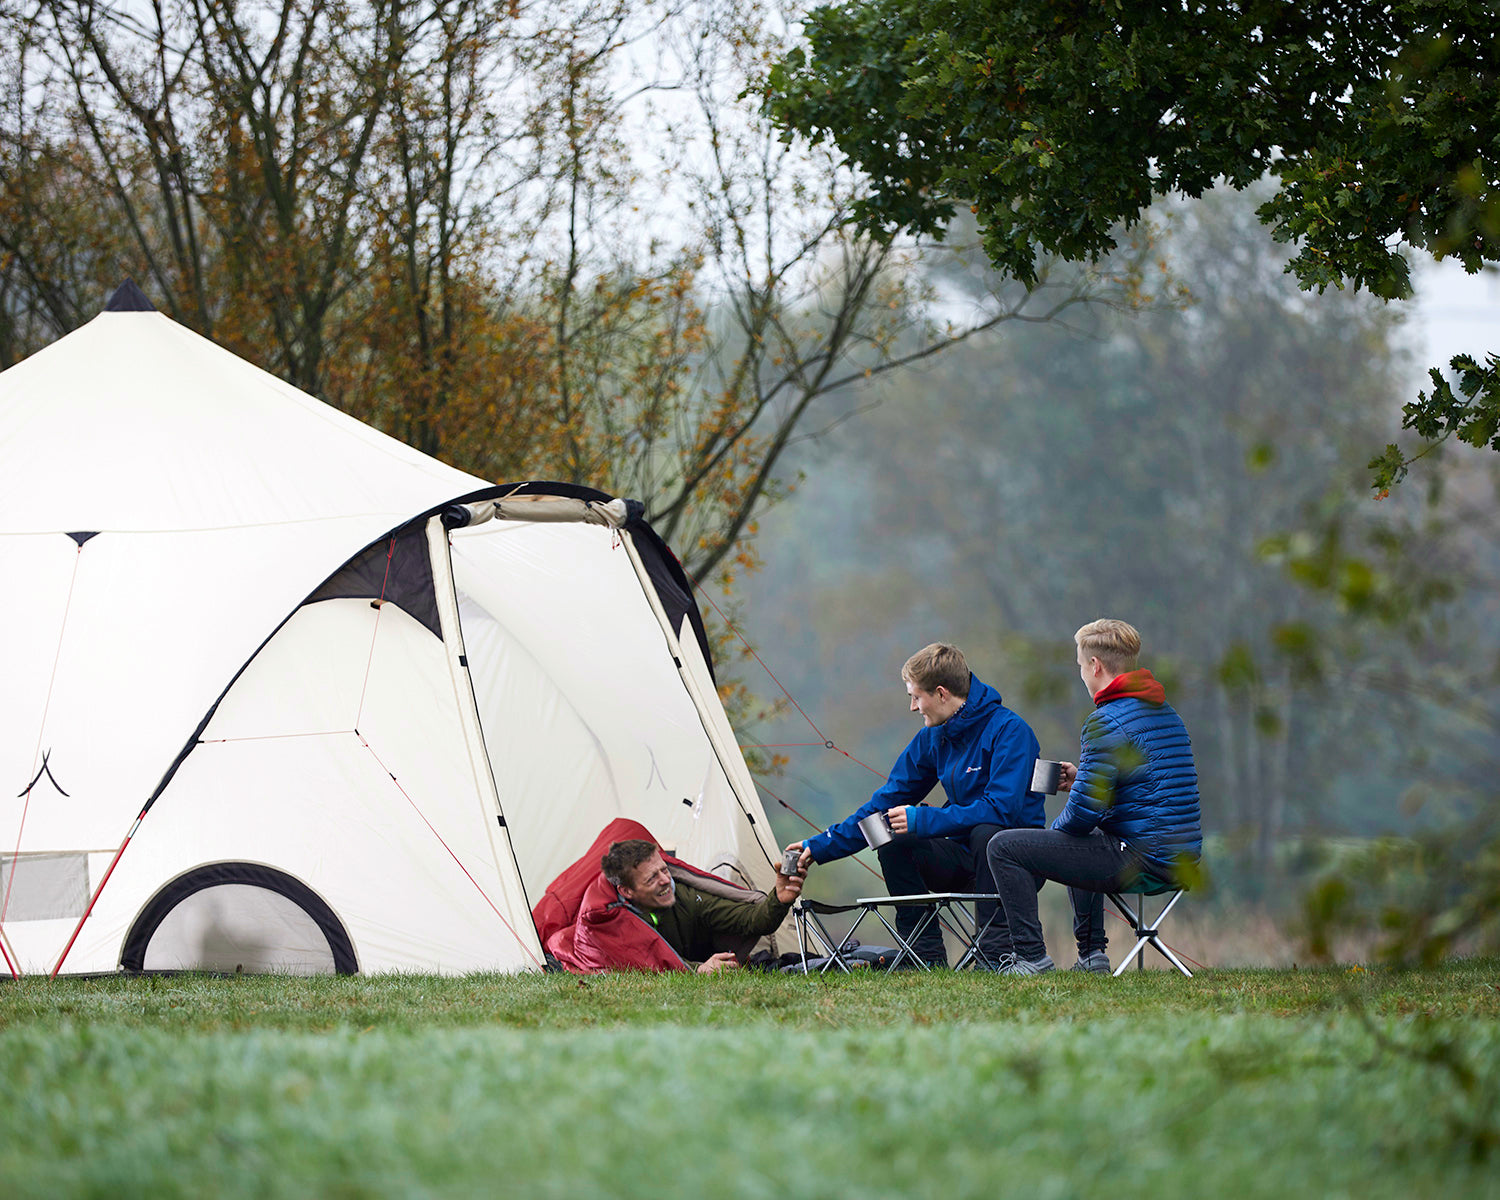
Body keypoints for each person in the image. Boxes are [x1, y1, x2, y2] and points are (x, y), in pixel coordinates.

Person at [790, 643, 1043, 968]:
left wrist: (923, 819)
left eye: (915, 696)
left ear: (941, 693)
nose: (912, 707)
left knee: (988, 832)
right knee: (890, 835)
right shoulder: (933, 736)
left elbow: (1001, 810)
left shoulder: (1010, 731)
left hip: (1012, 864)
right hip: (963, 859)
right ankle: (922, 956)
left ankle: (996, 955)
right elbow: (884, 804)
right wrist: (820, 845)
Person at [985, 618, 1203, 975]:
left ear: (1095, 666)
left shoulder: (1105, 720)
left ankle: (1031, 958)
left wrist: (1057, 832)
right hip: (1181, 858)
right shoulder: (1166, 713)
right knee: (1085, 840)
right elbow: (1147, 791)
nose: (1082, 675)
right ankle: (1092, 957)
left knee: (1004, 846)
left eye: (1080, 667)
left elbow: (1081, 819)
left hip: (1142, 860)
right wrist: (1084, 780)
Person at [601, 839, 804, 972]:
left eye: (664, 870)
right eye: (651, 878)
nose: (664, 880)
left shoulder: (685, 896)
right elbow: (640, 960)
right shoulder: (613, 922)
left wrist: (778, 899)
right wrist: (697, 969)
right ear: (627, 891)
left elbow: (751, 920)